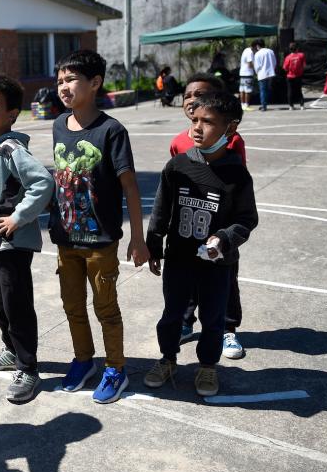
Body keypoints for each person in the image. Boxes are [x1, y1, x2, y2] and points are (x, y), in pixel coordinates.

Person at [49, 49, 149, 403]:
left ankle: (116, 368)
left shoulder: (112, 131)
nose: (64, 86)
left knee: (106, 308)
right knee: (72, 307)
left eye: (71, 79)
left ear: (95, 83)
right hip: (65, 240)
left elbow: (131, 187)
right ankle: (82, 359)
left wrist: (138, 239)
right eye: (60, 80)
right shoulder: (59, 125)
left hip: (100, 241)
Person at [145, 92, 258, 397]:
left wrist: (224, 238)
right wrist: (153, 244)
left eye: (207, 122)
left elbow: (247, 219)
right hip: (178, 259)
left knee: (213, 318)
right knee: (172, 314)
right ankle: (168, 359)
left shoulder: (236, 172)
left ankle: (208, 365)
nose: (197, 127)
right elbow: (160, 209)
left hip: (217, 265)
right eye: (194, 119)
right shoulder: (178, 166)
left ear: (229, 129)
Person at [0, 75, 54, 404]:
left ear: (12, 114)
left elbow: (43, 182)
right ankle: (11, 351)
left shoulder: (11, 147)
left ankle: (28, 368)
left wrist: (20, 217)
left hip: (12, 244)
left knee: (17, 305)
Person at [169, 73, 248, 360]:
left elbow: (236, 182)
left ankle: (228, 329)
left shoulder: (232, 141)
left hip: (220, 227)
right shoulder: (179, 142)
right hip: (190, 226)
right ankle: (187, 323)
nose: (193, 100)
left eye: (200, 95)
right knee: (189, 280)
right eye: (188, 95)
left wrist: (227, 235)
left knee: (226, 280)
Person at [252, 39, 276, 111]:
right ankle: (266, 103)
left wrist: (256, 73)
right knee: (268, 89)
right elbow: (274, 62)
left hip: (262, 74)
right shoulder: (271, 51)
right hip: (271, 73)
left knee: (263, 90)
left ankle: (264, 105)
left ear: (258, 46)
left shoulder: (258, 54)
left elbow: (257, 66)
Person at [283, 42, 307, 110]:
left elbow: (285, 68)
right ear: (297, 48)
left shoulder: (288, 57)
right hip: (298, 76)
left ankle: (291, 106)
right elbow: (304, 66)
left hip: (290, 76)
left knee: (290, 91)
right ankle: (302, 105)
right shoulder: (301, 55)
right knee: (299, 90)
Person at [238, 43, 257, 110]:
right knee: (248, 90)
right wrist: (256, 70)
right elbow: (250, 64)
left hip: (242, 73)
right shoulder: (250, 52)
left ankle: (242, 105)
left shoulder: (245, 50)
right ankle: (246, 105)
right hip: (248, 74)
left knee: (242, 90)